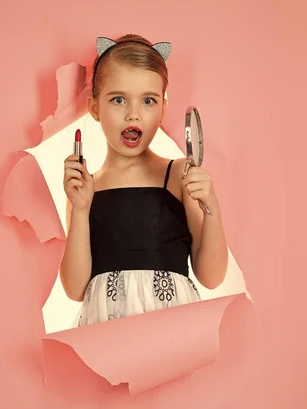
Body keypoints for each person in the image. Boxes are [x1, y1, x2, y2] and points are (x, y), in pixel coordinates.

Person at [60, 34, 229, 326]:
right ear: (95, 108)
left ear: (163, 108)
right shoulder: (86, 188)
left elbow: (212, 277)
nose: (133, 114)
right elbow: (75, 290)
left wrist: (210, 207)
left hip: (172, 330)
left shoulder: (178, 175)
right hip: (106, 332)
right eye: (118, 100)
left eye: (148, 100)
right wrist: (79, 208)